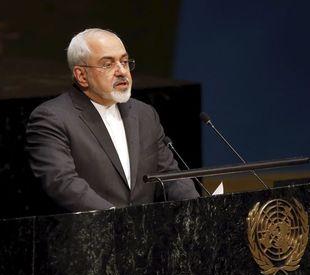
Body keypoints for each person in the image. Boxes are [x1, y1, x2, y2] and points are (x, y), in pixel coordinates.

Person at [26, 28, 199, 212]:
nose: (122, 71)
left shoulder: (144, 114)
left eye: (124, 61)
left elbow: (169, 175)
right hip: (89, 236)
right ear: (81, 76)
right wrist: (117, 222)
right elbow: (62, 183)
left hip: (145, 235)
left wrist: (198, 208)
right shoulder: (52, 118)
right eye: (108, 64)